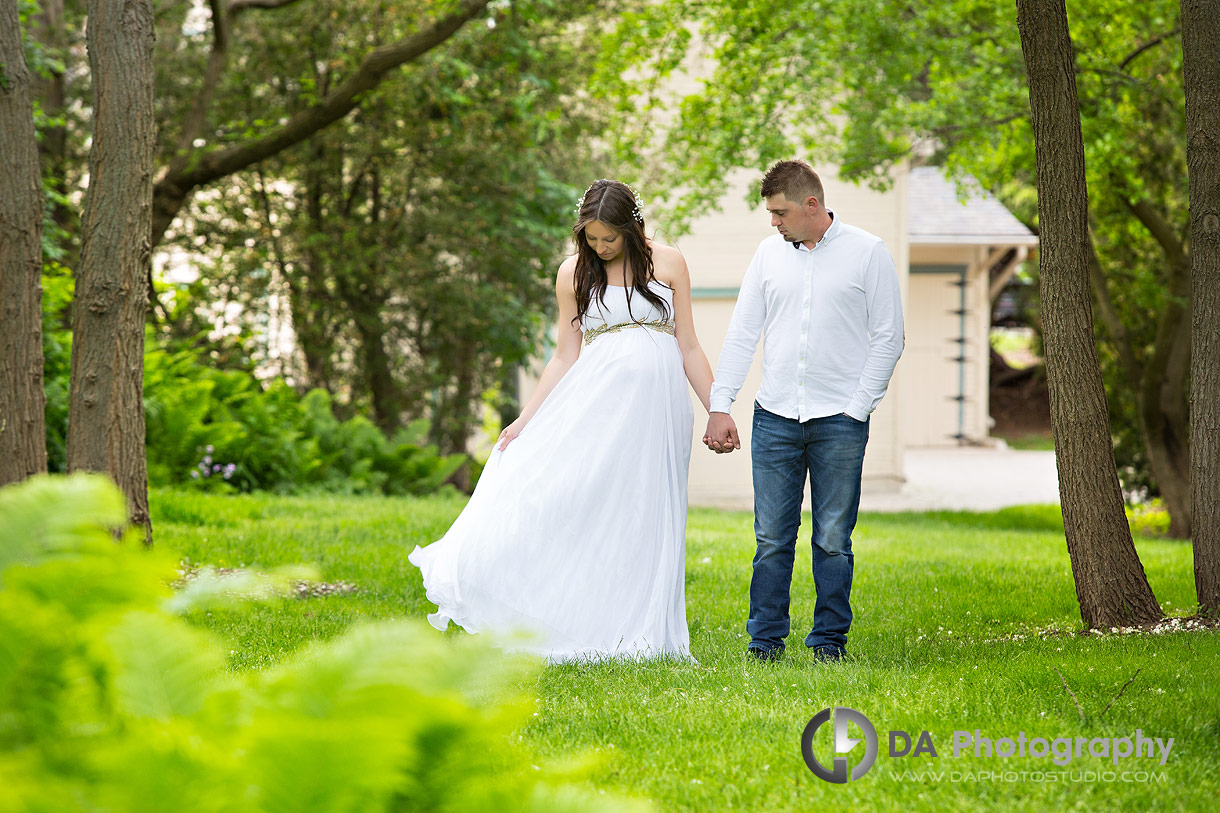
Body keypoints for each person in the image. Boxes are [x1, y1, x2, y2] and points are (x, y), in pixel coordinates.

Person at [409, 179, 716, 663]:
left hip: (660, 411)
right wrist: (525, 420)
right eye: (592, 239)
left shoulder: (670, 262)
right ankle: (565, 610)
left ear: (633, 227)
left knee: (649, 507)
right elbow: (564, 355)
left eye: (610, 239)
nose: (601, 247)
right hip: (597, 405)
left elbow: (690, 345)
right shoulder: (573, 272)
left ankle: (642, 626)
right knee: (582, 498)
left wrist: (717, 409)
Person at [703, 160, 904, 663]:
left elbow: (889, 337)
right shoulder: (768, 256)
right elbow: (743, 332)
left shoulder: (868, 252)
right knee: (771, 537)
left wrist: (858, 409)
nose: (773, 222)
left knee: (833, 539)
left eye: (780, 212)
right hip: (774, 418)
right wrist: (719, 405)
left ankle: (828, 643)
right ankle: (765, 642)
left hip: (841, 421)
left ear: (811, 205)